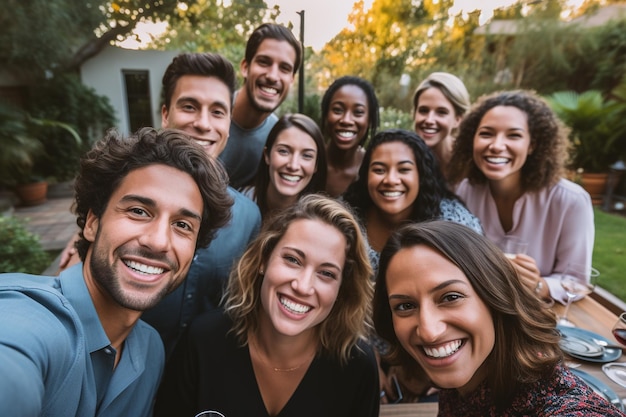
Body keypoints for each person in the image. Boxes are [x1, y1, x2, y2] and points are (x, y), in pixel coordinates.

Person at [0, 128, 232, 417]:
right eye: (138, 211)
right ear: (92, 223)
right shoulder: (29, 317)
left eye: (183, 225)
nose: (159, 241)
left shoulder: (151, 350)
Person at [59, 52, 263, 360]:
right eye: (190, 106)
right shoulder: (121, 194)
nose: (203, 123)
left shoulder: (249, 217)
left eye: (218, 112)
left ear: (228, 124)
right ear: (166, 114)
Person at [155, 194, 380, 417]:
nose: (303, 286)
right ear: (264, 259)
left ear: (342, 288)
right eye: (293, 260)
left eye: (326, 273)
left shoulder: (357, 366)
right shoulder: (203, 340)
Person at [372, 220, 626, 416]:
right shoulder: (469, 372)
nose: (429, 331)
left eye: (450, 297)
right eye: (405, 305)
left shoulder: (560, 407)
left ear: (496, 298)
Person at [447, 90, 594, 303]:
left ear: (532, 145)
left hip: (538, 317)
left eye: (513, 135)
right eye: (486, 133)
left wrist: (539, 285)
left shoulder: (570, 201)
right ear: (472, 139)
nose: (496, 146)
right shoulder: (464, 190)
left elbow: (577, 281)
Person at [343, 128, 482, 273]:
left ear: (421, 176)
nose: (391, 180)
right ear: (366, 176)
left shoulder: (455, 221)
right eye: (379, 170)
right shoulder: (344, 222)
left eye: (404, 169)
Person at [219, 23, 303, 189]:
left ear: (292, 79)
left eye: (284, 69)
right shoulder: (207, 117)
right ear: (245, 67)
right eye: (264, 62)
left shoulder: (278, 137)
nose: (273, 76)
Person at [242, 113, 328, 220]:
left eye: (306, 155)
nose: (293, 165)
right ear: (267, 155)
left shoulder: (319, 222)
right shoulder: (239, 207)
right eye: (284, 151)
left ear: (316, 165)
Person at [321, 75, 380, 197]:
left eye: (358, 112)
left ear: (369, 120)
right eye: (337, 110)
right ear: (326, 115)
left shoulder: (374, 170)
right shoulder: (308, 163)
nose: (346, 120)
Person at [412, 72, 470, 178]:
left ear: (458, 119)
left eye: (441, 112)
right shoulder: (407, 160)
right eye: (423, 110)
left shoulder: (469, 164)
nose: (429, 120)